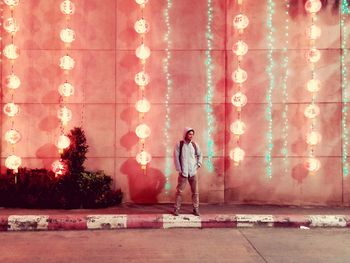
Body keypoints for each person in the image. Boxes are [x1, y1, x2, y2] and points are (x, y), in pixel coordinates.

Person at [173, 127, 203, 216]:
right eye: (189, 134)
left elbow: (200, 154)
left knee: (195, 192)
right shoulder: (180, 144)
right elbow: (176, 157)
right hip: (183, 173)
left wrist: (198, 165)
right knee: (179, 192)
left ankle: (196, 208)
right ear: (185, 134)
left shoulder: (194, 145)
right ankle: (176, 209)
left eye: (192, 134)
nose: (191, 136)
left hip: (193, 172)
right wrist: (180, 169)